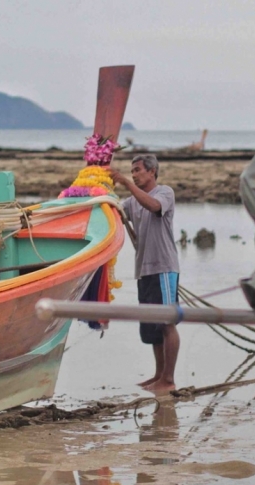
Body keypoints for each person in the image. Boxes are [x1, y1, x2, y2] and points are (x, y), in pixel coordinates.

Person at [110, 154, 181, 392]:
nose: (134, 174)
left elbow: (153, 207)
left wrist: (126, 184)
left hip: (163, 267)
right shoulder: (131, 201)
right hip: (144, 271)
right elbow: (116, 214)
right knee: (152, 326)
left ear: (152, 172)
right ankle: (159, 375)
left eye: (138, 170)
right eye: (132, 171)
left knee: (167, 323)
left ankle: (168, 379)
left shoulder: (165, 193)